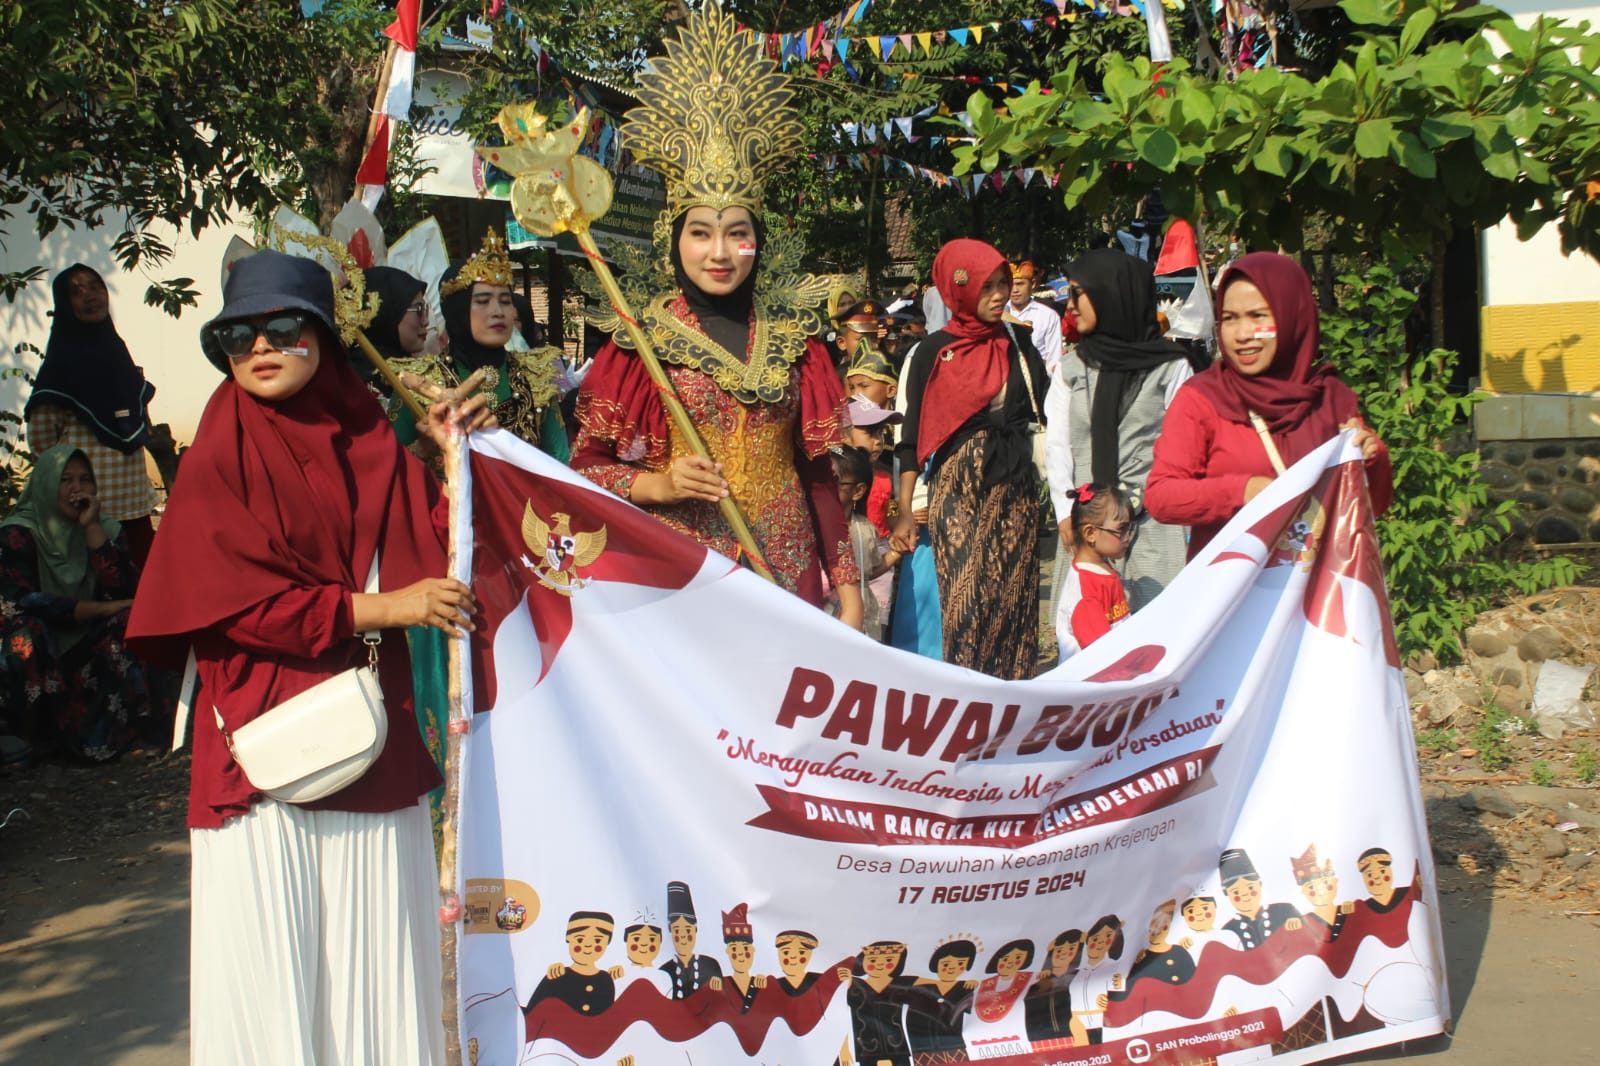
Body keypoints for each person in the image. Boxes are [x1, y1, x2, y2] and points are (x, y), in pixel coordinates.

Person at [124, 249, 494, 1065]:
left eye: (283, 327)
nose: (260, 346)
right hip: (258, 745)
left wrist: (445, 463)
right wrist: (381, 609)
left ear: (323, 337)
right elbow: (234, 606)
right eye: (237, 334)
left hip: (370, 727)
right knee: (268, 969)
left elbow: (441, 554)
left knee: (378, 970)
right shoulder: (219, 450)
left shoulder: (368, 438)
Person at [571, 3, 861, 625]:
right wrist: (657, 485)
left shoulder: (796, 340)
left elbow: (817, 477)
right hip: (679, 580)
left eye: (737, 234)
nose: (721, 253)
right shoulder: (638, 341)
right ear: (674, 239)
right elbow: (586, 469)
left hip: (787, 578)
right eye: (701, 233)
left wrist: (850, 588)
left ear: (760, 239)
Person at [1146, 252, 1393, 559]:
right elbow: (1161, 497)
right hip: (1233, 595)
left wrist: (1372, 456)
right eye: (1230, 318)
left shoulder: (1330, 399)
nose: (1242, 334)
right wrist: (1242, 491)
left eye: (1259, 316)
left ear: (1292, 316)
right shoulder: (1202, 398)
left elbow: (1374, 505)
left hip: (1314, 596)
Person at [890, 238, 1048, 680]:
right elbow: (910, 438)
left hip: (1014, 487)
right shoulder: (933, 352)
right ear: (959, 290)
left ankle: (1012, 709)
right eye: (986, 287)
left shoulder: (1020, 343)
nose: (998, 296)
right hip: (957, 492)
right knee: (965, 605)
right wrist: (904, 511)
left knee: (1012, 603)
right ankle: (970, 709)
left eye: (1003, 284)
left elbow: (1039, 411)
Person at [1046, 249, 1194, 615]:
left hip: (1154, 528)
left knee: (1157, 635)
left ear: (1112, 295)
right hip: (1087, 530)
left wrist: (1139, 501)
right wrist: (1067, 514)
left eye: (1079, 293)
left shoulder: (1171, 368)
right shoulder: (1071, 369)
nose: (1070, 305)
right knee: (1090, 642)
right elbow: (1059, 447)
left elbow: (1185, 451)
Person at [0, 445, 156, 761]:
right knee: (26, 633)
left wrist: (92, 529)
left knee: (130, 618)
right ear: (45, 484)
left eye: (85, 480)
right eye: (66, 479)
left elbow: (127, 591)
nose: (77, 489)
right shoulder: (17, 533)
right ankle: (24, 738)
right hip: (40, 649)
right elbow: (19, 601)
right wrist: (93, 609)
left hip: (84, 647)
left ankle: (124, 735)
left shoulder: (105, 527)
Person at [25, 264, 160, 566]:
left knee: (143, 590)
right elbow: (43, 444)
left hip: (133, 501)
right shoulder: (60, 366)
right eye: (76, 291)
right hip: (86, 513)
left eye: (95, 286)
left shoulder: (116, 352)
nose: (90, 296)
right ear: (64, 304)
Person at [406, 230, 570, 462]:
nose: (498, 311)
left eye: (506, 301)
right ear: (457, 310)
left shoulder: (536, 375)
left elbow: (560, 463)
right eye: (483, 301)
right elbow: (390, 471)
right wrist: (424, 449)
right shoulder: (419, 382)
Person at [355, 264, 432, 448]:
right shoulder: (350, 380)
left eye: (426, 309)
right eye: (418, 310)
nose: (426, 321)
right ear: (386, 310)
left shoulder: (424, 370)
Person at [1056, 483, 1132, 661]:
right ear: (1090, 533)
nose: (1128, 536)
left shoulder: (1101, 568)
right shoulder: (1086, 592)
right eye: (1122, 529)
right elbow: (1099, 654)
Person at [830, 444, 898, 640]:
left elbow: (892, 505)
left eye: (879, 433)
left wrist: (896, 523)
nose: (877, 441)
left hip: (875, 540)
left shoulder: (886, 477)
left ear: (858, 491)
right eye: (868, 433)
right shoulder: (839, 462)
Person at [1007, 261, 1064, 375]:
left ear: (1032, 284)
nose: (1015, 290)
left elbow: (1054, 360)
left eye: (1020, 284)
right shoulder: (1000, 313)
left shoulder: (1048, 316)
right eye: (1011, 284)